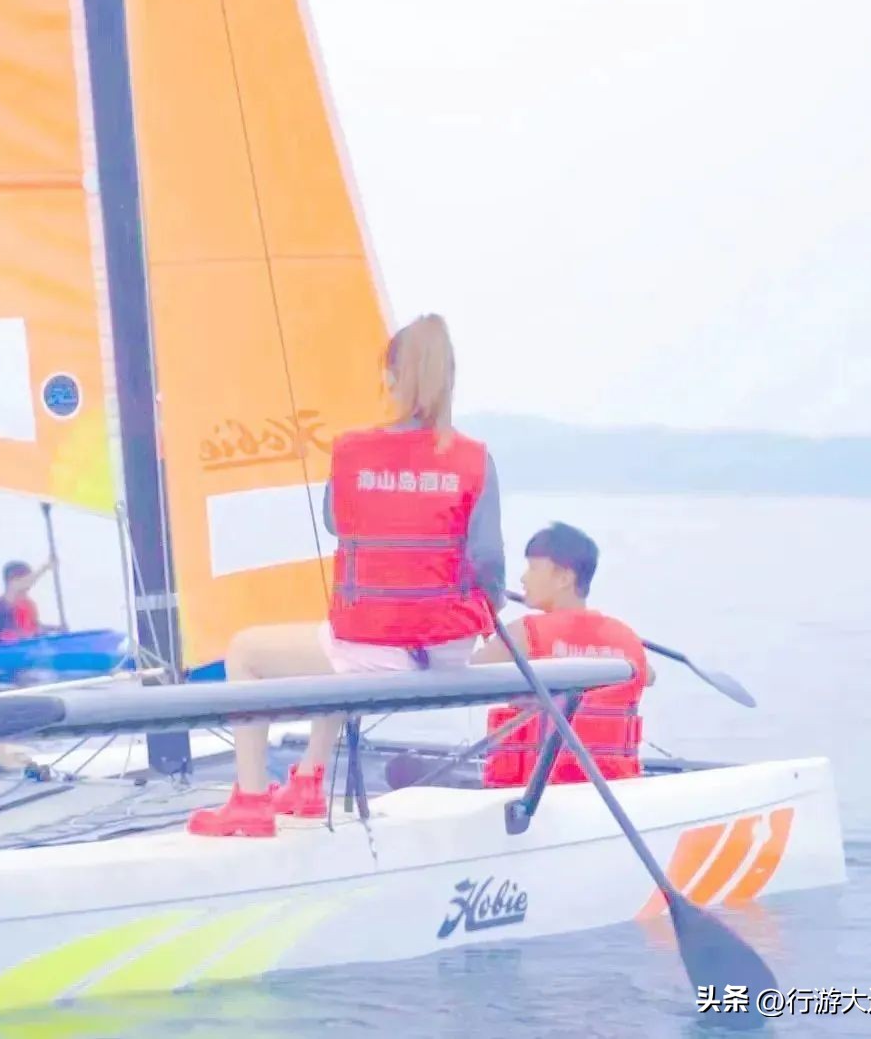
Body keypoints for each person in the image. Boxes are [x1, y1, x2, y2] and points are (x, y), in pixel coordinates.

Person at [187, 314, 506, 838]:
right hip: (451, 648)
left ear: (390, 378)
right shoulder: (476, 459)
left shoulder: (352, 450)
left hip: (379, 653)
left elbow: (336, 521)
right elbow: (489, 562)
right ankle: (309, 777)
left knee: (247, 650)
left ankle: (248, 799)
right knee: (337, 644)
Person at [471, 520, 651, 786]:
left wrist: (480, 615)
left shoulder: (524, 634)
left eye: (533, 568)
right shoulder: (627, 638)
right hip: (610, 790)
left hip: (535, 795)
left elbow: (466, 673)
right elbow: (649, 677)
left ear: (564, 578)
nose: (523, 578)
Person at [0, 559, 58, 645]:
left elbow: (34, 627)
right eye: (24, 579)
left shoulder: (28, 603)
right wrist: (45, 567)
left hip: (31, 648)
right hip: (13, 650)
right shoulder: (3, 604)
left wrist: (55, 629)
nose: (29, 583)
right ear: (11, 581)